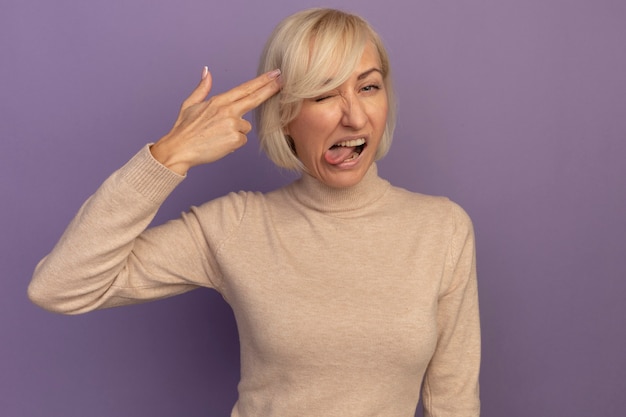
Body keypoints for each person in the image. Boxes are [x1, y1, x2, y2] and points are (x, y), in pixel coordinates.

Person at [28, 8, 480, 417]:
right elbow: (61, 288)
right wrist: (167, 157)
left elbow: (454, 401)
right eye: (324, 94)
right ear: (285, 114)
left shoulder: (441, 228)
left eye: (368, 86)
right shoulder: (236, 225)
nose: (356, 118)